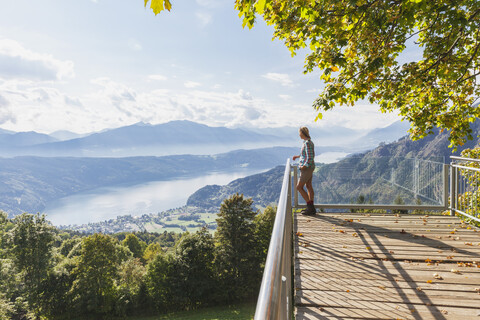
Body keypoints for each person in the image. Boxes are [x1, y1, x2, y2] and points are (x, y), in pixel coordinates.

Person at [293, 127, 316, 215]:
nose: (299, 135)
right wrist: (298, 156)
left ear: (302, 133)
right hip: (310, 167)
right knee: (309, 186)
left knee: (299, 187)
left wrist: (304, 166)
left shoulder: (307, 143)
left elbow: (310, 157)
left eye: (299, 133)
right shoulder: (307, 142)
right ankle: (311, 208)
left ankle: (310, 207)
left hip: (307, 168)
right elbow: (306, 154)